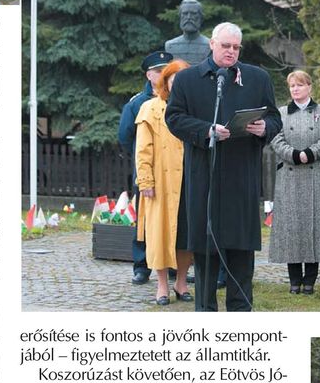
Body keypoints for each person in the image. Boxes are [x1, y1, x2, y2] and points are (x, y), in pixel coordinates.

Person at [165, 23, 282, 311]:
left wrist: (263, 127)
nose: (231, 52)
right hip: (205, 177)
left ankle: (240, 311)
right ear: (212, 45)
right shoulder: (187, 79)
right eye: (226, 46)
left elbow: (275, 119)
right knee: (206, 252)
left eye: (236, 47)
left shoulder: (257, 78)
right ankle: (206, 311)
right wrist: (207, 131)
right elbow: (175, 118)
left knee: (241, 253)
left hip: (242, 177)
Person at [267, 68, 320, 295]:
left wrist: (310, 152)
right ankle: (294, 280)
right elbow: (275, 138)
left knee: (314, 227)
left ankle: (310, 281)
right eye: (292, 86)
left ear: (309, 87)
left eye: (299, 85)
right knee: (292, 228)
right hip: (289, 174)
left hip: (315, 173)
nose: (295, 89)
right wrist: (294, 154)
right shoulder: (280, 113)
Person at [135, 58, 192, 304]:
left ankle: (181, 281)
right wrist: (146, 181)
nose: (178, 84)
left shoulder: (195, 108)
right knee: (159, 235)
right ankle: (161, 285)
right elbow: (142, 149)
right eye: (173, 79)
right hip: (161, 183)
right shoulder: (150, 108)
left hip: (189, 181)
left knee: (186, 234)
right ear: (166, 82)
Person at [119, 50, 170, 286]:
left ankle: (171, 264)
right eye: (158, 71)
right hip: (147, 168)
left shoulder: (176, 99)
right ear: (149, 75)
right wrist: (146, 162)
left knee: (172, 218)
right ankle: (141, 266)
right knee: (144, 219)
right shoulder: (137, 103)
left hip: (173, 171)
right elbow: (126, 137)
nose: (162, 75)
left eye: (166, 71)